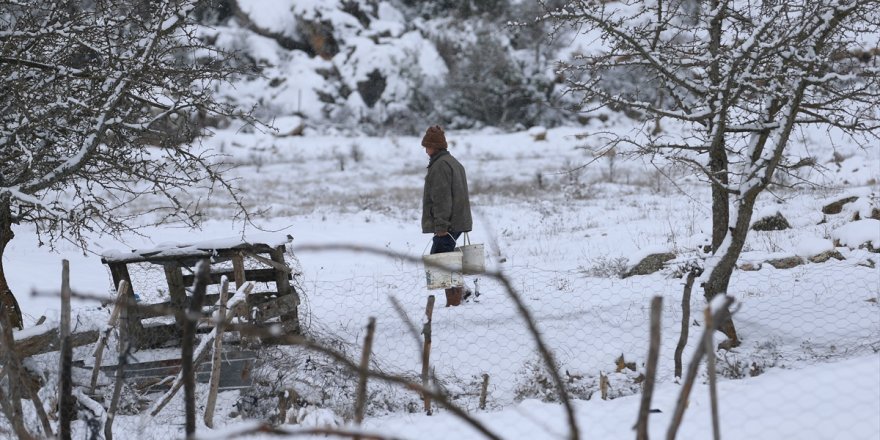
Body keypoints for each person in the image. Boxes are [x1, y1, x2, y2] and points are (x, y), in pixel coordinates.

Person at [421, 125, 472, 307]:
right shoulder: (452, 162)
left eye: (427, 146)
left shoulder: (440, 166)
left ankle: (455, 302)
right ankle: (462, 292)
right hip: (457, 221)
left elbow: (442, 199)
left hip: (448, 224)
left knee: (442, 259)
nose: (425, 150)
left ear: (434, 146)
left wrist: (441, 226)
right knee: (443, 256)